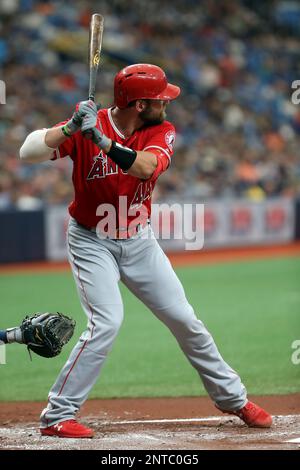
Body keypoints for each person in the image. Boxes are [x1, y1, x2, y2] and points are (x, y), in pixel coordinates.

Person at [19, 63, 272, 439]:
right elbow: (28, 152)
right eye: (159, 99)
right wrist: (71, 128)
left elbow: (147, 167)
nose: (166, 104)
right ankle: (58, 414)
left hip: (139, 240)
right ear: (139, 104)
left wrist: (104, 142)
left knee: (185, 320)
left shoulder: (161, 130)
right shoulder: (90, 123)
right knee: (107, 322)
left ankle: (234, 399)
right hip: (91, 240)